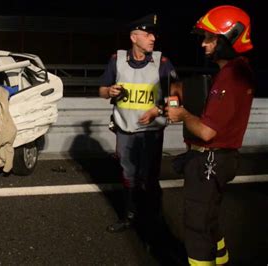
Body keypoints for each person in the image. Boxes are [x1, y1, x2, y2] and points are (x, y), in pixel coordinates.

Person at [167, 5, 255, 266]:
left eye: (209, 38)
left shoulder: (230, 77)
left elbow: (206, 131)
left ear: (229, 38)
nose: (204, 45)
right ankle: (221, 260)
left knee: (196, 227)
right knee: (210, 219)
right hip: (223, 160)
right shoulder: (238, 71)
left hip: (209, 161)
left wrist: (181, 114)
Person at [99, 13, 180, 234]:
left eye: (154, 34)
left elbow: (176, 94)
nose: (153, 38)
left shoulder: (162, 62)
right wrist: (110, 91)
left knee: (150, 176)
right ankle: (130, 217)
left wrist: (158, 109)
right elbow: (102, 90)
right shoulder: (117, 59)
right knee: (128, 174)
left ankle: (154, 219)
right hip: (125, 130)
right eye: (148, 34)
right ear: (134, 37)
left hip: (151, 131)